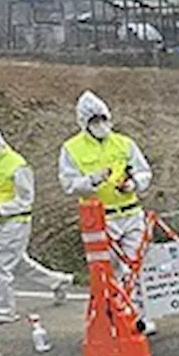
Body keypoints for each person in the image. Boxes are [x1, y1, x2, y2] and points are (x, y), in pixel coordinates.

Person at [57, 91, 157, 334]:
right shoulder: (72, 149)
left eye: (103, 119)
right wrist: (91, 180)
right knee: (107, 269)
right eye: (94, 121)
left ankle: (139, 317)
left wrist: (134, 183)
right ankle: (113, 316)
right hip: (101, 218)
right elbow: (68, 184)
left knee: (136, 266)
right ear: (84, 123)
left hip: (131, 212)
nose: (100, 125)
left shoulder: (124, 143)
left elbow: (144, 171)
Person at [0, 120, 73, 327]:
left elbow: (26, 200)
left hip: (16, 222)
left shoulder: (17, 165)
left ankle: (3, 311)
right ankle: (57, 281)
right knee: (16, 262)